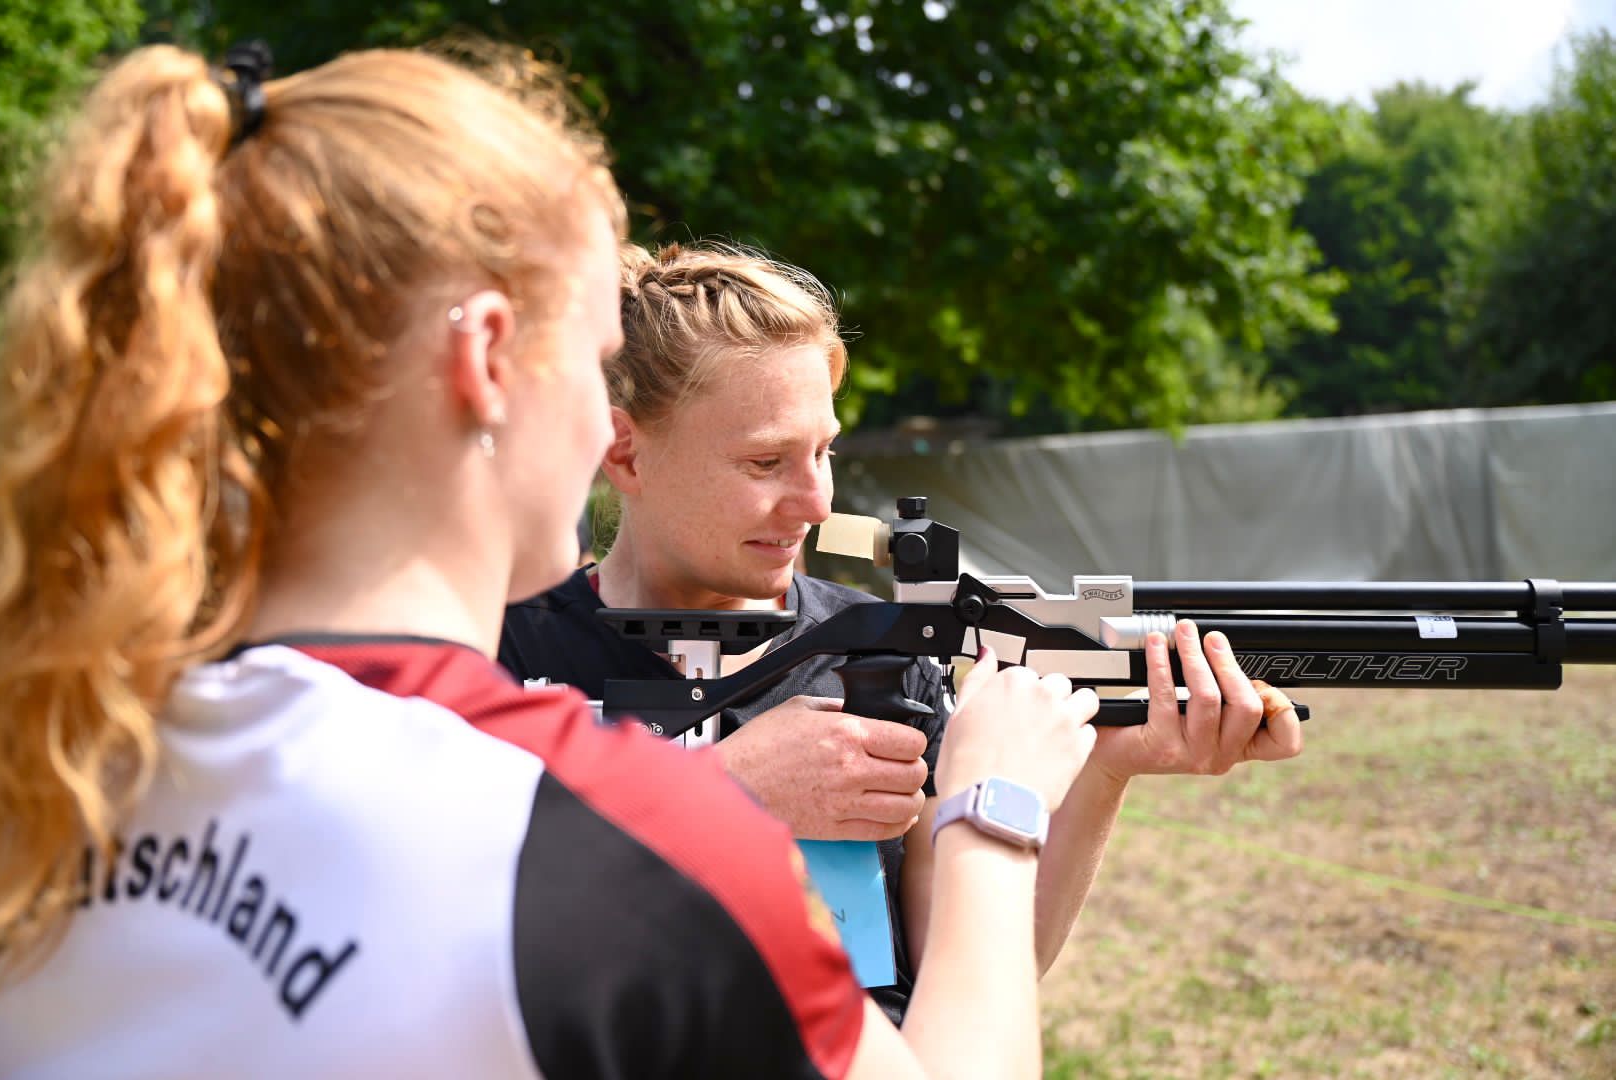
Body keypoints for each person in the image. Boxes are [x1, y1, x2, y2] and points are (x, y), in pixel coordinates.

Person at [0, 40, 1114, 1079]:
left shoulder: (58, 743)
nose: (601, 428)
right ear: (486, 358)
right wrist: (989, 809)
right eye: (594, 360)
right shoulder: (623, 835)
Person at [499, 241, 1307, 1023]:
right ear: (626, 452)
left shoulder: (876, 646)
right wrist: (727, 791)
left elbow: (976, 974)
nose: (816, 501)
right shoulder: (504, 656)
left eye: (824, 452)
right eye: (764, 462)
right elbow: (460, 941)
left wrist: (1104, 771)